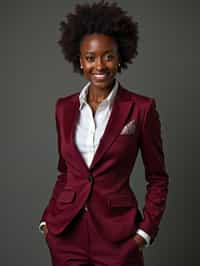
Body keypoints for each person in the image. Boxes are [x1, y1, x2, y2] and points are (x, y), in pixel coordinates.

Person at [38, 1, 169, 265]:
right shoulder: (64, 108)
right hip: (66, 234)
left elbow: (157, 178)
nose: (100, 65)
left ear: (120, 58)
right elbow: (66, 172)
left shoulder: (141, 109)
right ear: (81, 62)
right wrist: (48, 219)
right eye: (90, 57)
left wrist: (144, 233)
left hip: (118, 237)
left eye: (108, 56)